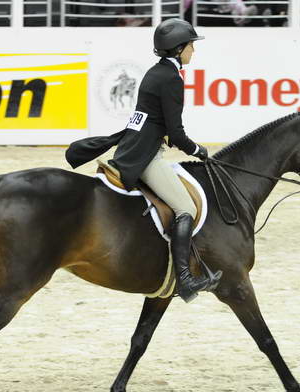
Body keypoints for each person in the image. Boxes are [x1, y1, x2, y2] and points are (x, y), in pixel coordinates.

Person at [65, 18, 221, 303]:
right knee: (185, 206)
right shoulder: (171, 79)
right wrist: (198, 150)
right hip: (146, 156)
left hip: (135, 148)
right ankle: (185, 280)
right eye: (190, 46)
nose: (193, 52)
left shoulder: (155, 72)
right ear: (178, 49)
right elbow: (175, 133)